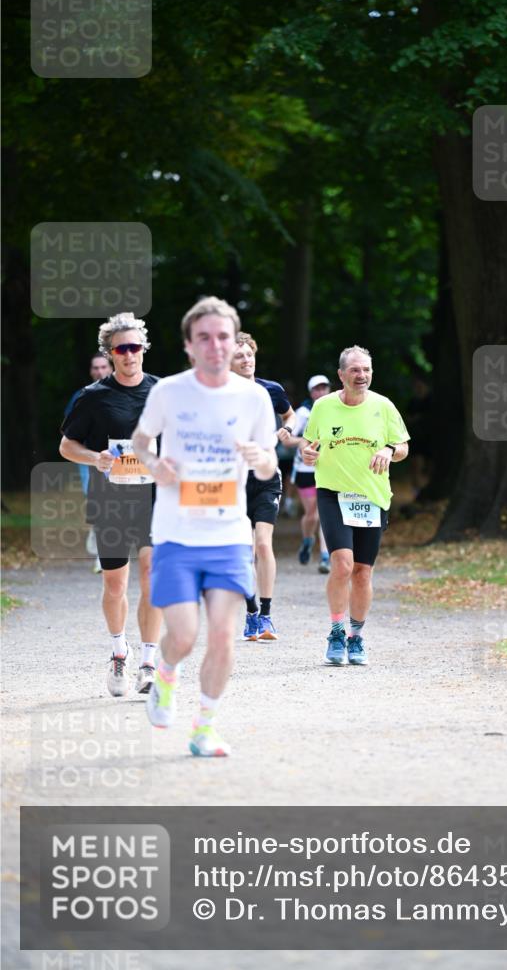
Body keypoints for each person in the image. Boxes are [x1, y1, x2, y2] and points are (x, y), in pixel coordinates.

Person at [132, 297, 277, 757]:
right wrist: (155, 465)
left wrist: (260, 458)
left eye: (223, 337)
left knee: (222, 635)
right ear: (189, 346)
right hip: (176, 533)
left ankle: (203, 729)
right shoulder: (169, 392)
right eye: (204, 338)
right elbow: (140, 442)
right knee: (183, 635)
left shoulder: (254, 397)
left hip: (229, 534)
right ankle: (166, 674)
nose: (215, 346)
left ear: (235, 343)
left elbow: (269, 465)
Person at [60, 314, 161, 698]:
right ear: (110, 353)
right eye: (122, 349)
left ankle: (149, 663)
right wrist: (95, 458)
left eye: (135, 347)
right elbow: (66, 446)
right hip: (111, 501)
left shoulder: (163, 393)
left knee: (151, 575)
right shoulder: (93, 397)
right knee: (115, 584)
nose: (129, 354)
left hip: (153, 499)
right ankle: (120, 651)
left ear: (143, 349)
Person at [301, 346, 409, 667]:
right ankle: (336, 632)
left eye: (366, 370)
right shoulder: (323, 406)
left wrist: (389, 451)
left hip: (371, 497)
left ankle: (356, 637)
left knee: (362, 572)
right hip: (333, 493)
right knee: (342, 565)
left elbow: (403, 446)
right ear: (341, 375)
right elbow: (308, 443)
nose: (361, 376)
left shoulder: (383, 406)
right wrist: (307, 453)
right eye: (355, 370)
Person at [230, 332, 296, 642]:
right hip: (234, 479)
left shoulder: (271, 389)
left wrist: (287, 430)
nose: (246, 360)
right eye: (239, 356)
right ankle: (251, 611)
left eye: (249, 354)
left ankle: (266, 614)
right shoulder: (221, 394)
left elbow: (289, 414)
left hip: (267, 477)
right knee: (244, 549)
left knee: (263, 544)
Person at [63, 352, 113, 572]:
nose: (100, 371)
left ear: (110, 367)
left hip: (120, 458)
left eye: (103, 367)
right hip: (89, 459)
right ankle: (102, 552)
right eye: (96, 367)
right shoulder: (82, 395)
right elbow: (68, 431)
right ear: (91, 371)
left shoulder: (126, 392)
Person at [284, 374, 332, 574]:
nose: (321, 392)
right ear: (311, 393)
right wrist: (308, 440)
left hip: (329, 468)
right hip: (306, 469)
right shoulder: (303, 412)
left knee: (326, 513)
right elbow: (287, 440)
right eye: (316, 389)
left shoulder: (337, 408)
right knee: (311, 514)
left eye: (324, 388)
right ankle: (307, 540)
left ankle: (325, 557)